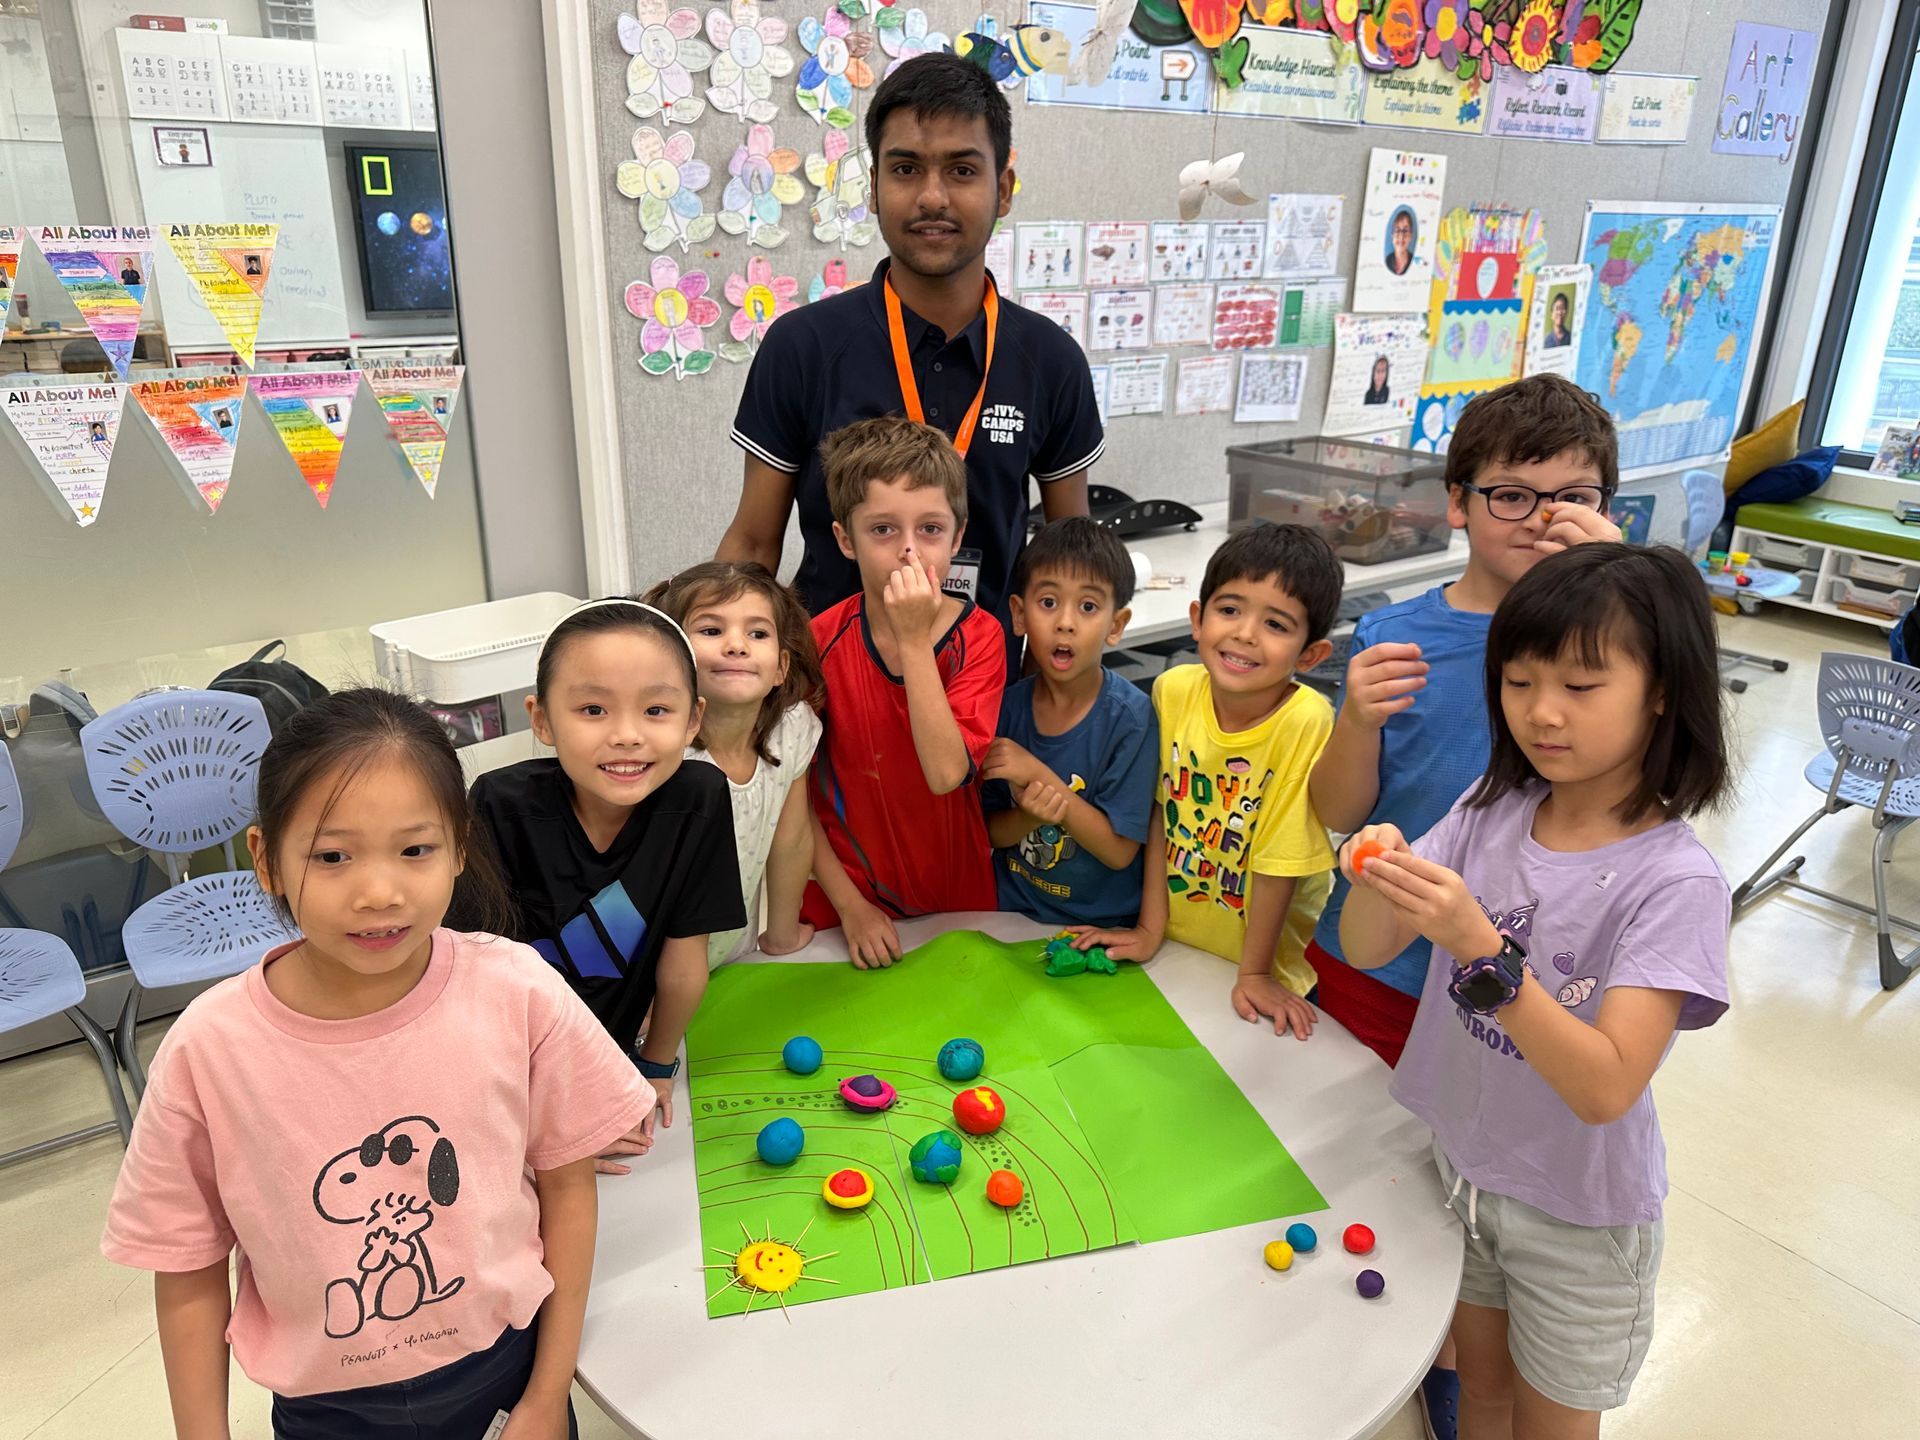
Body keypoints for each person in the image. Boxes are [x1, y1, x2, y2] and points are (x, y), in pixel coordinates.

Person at [101, 689, 649, 1438]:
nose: (379, 893)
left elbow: (568, 1186)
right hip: (328, 1410)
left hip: (505, 1366)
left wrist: (549, 1394)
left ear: (460, 845)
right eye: (332, 856)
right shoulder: (210, 1048)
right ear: (267, 859)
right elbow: (188, 1266)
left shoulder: (515, 990)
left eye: (415, 850)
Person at [1337, 543, 1730, 1439]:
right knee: (1481, 1390)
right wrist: (1377, 872)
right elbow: (1366, 946)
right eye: (1518, 682)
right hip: (1465, 1170)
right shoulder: (1491, 808)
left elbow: (1606, 1086)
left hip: (1578, 1216)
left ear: (1662, 690)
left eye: (1581, 687)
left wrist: (1481, 949)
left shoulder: (1674, 882)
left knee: (1551, 1422)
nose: (1541, 713)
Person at [1305, 375, 1621, 1440]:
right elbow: (1338, 813)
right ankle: (1381, 1363)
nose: (1542, 519)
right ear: (1457, 502)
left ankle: (1449, 1375)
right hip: (1382, 968)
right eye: (1512, 495)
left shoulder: (1616, 647)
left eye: (1573, 497)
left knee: (1474, 1221)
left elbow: (1668, 774)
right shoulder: (1397, 634)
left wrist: (1620, 591)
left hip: (1519, 994)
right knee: (1377, 1192)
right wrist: (1354, 720)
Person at [721, 53, 1103, 646]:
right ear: (873, 188)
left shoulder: (1051, 359)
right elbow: (752, 542)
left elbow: (1068, 562)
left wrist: (1039, 696)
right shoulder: (803, 345)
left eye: (962, 170)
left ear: (1003, 189)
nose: (932, 197)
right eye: (905, 169)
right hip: (827, 682)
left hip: (985, 684)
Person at [466, 599, 745, 1162]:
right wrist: (542, 1124)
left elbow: (684, 959)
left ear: (693, 719)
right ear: (542, 720)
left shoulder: (698, 799)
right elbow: (472, 985)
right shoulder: (498, 806)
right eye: (593, 709)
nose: (626, 736)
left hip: (612, 1058)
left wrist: (655, 1064)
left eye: (656, 710)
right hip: (508, 1075)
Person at [1070, 522, 1343, 1038]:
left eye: (1276, 624)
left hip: (1263, 970)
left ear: (1310, 655)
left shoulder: (1306, 720)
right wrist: (1149, 929)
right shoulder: (1172, 690)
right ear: (1198, 619)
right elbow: (1160, 813)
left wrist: (1256, 973)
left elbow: (1281, 859)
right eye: (1230, 610)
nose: (1245, 634)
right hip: (1178, 948)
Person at [802, 416, 1006, 967]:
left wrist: (913, 640)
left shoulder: (981, 638)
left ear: (958, 537)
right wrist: (851, 908)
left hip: (956, 895)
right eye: (883, 530)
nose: (910, 552)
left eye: (931, 529)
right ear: (845, 540)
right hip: (846, 902)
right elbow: (793, 797)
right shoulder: (817, 642)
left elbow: (946, 774)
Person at [643, 561, 825, 968]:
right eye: (712, 630)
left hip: (732, 958)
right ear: (671, 657)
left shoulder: (790, 731)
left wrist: (782, 933)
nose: (737, 645)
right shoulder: (658, 749)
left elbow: (792, 839)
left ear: (781, 668)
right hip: (648, 970)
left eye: (757, 633)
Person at [982, 517, 1157, 929]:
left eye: (1088, 607)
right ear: (1019, 614)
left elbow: (1119, 852)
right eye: (1048, 602)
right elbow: (988, 831)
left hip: (1101, 926)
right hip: (1010, 914)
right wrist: (1029, 817)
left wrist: (1038, 776)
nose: (1065, 622)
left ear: (1116, 625)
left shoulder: (1132, 720)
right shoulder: (1004, 710)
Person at [1386, 208, 1415, 276]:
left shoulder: (1414, 261)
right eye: (1397, 230)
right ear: (1392, 236)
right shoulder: (1387, 262)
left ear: (1410, 236)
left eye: (1405, 230)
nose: (1401, 237)